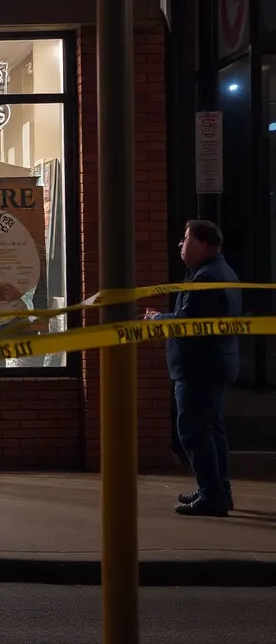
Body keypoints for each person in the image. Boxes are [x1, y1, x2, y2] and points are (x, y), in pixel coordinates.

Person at [144, 220, 241, 517]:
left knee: (195, 432)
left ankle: (212, 495)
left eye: (185, 239)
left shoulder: (205, 280)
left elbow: (188, 327)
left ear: (201, 244)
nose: (180, 246)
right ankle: (216, 489)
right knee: (213, 431)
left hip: (198, 370)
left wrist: (157, 321)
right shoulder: (219, 273)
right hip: (212, 367)